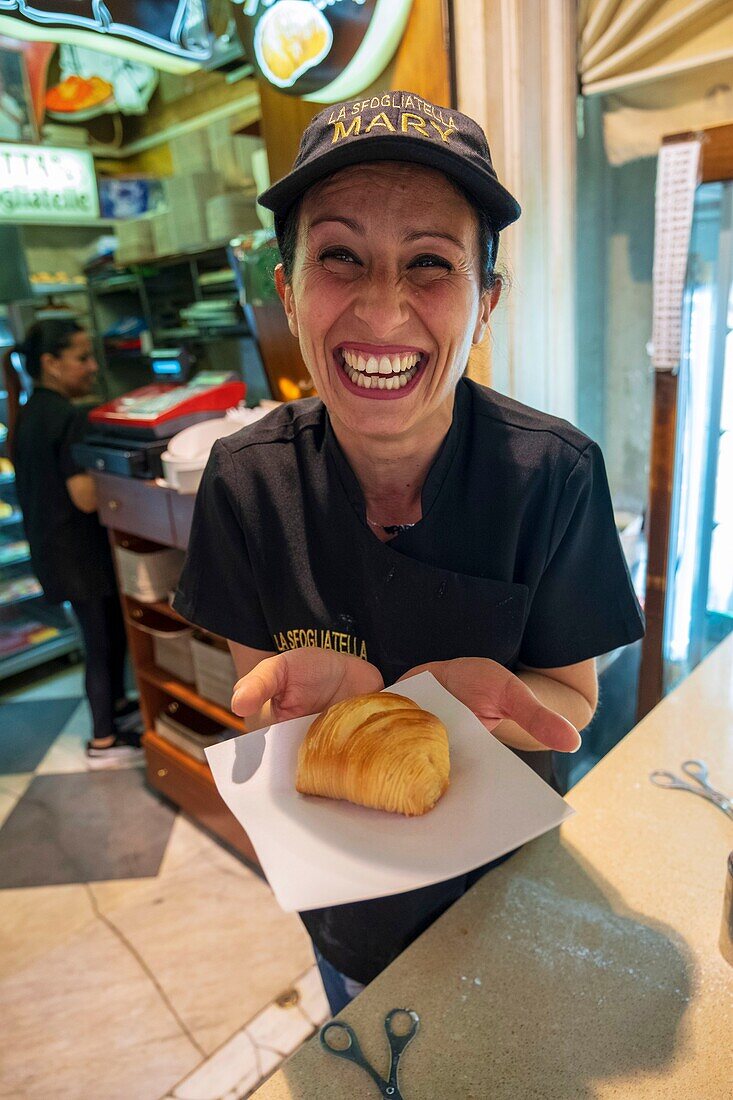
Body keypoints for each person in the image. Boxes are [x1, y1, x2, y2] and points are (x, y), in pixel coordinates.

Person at [174, 92, 645, 1013]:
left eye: (429, 263)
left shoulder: (551, 474)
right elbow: (267, 713)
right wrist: (308, 722)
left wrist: (445, 714)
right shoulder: (243, 479)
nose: (382, 309)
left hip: (511, 892)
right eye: (339, 255)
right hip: (344, 894)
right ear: (287, 288)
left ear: (484, 305)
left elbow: (569, 704)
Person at [4, 320, 142, 767]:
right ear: (50, 363)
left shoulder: (28, 411)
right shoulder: (69, 416)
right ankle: (103, 742)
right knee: (101, 642)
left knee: (104, 634)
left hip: (54, 550)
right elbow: (84, 498)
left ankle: (117, 708)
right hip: (79, 554)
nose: (90, 367)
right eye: (81, 357)